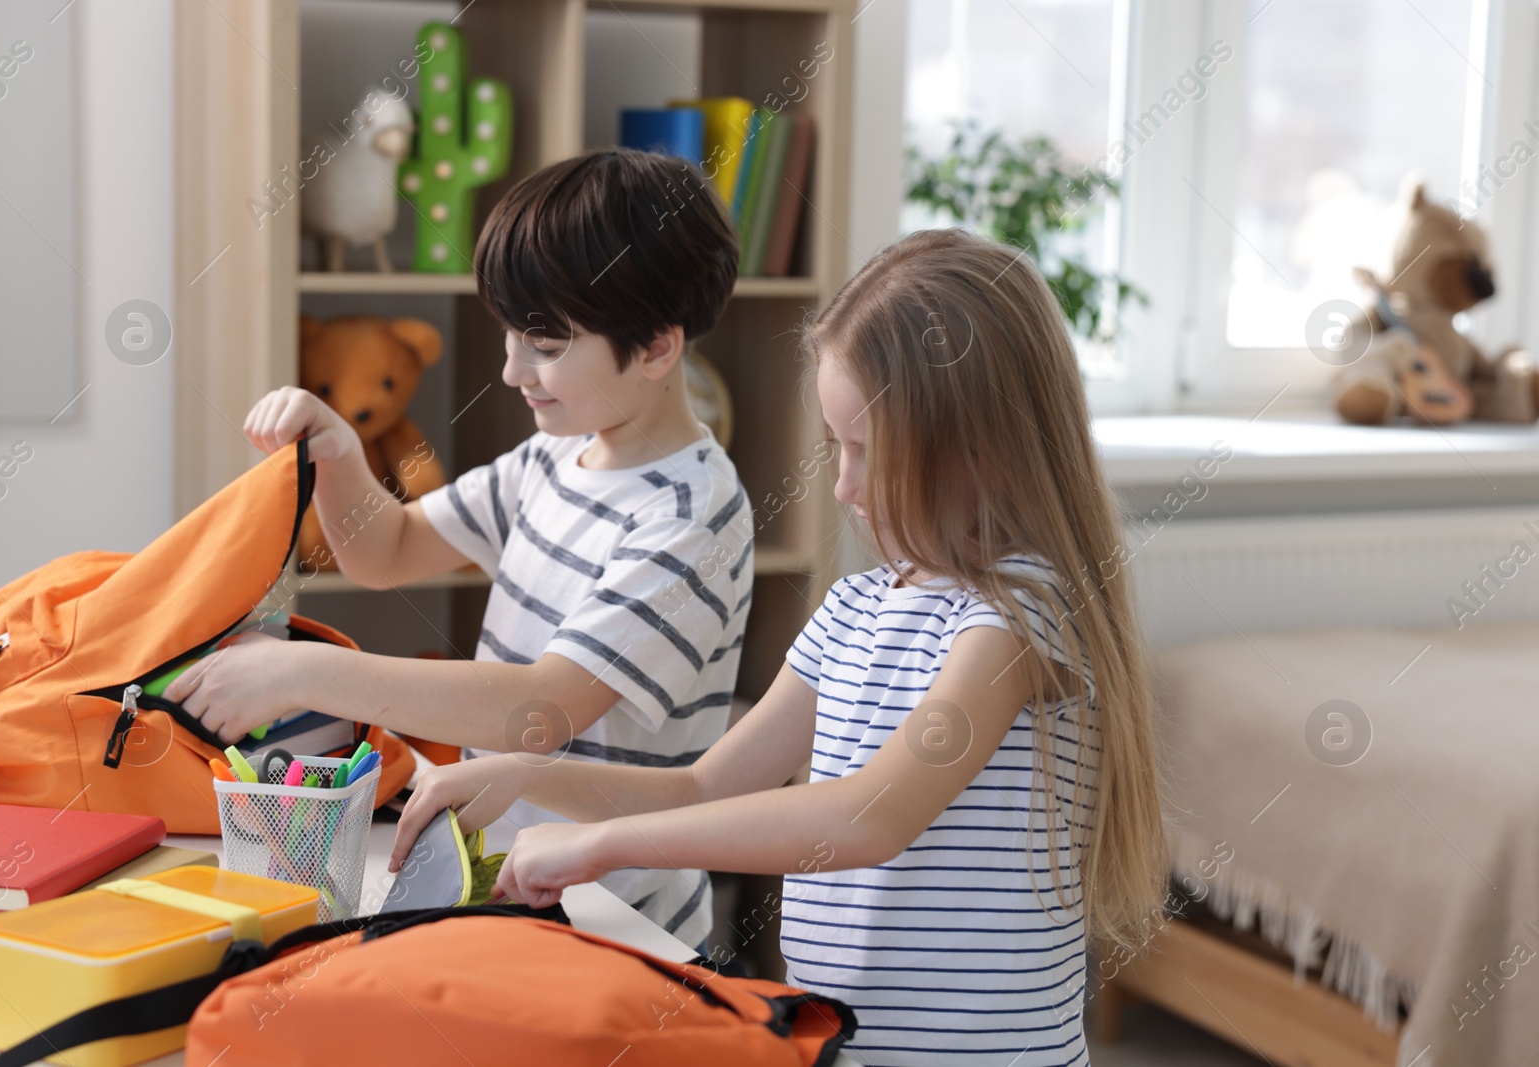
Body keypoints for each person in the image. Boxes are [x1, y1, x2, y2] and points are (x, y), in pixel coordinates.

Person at [390, 228, 1168, 1065]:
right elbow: (704, 784)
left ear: (978, 447)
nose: (842, 485)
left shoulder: (1019, 617)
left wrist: (603, 843)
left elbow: (869, 817)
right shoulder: (857, 605)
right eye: (836, 446)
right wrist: (525, 778)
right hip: (843, 1047)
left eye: (869, 451)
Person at [166, 149, 752, 949]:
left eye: (545, 344)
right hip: (505, 885)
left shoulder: (691, 515)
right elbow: (388, 551)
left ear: (655, 347)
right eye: (510, 333)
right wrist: (339, 452)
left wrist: (305, 673)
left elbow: (541, 709)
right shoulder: (555, 455)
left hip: (612, 921)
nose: (512, 369)